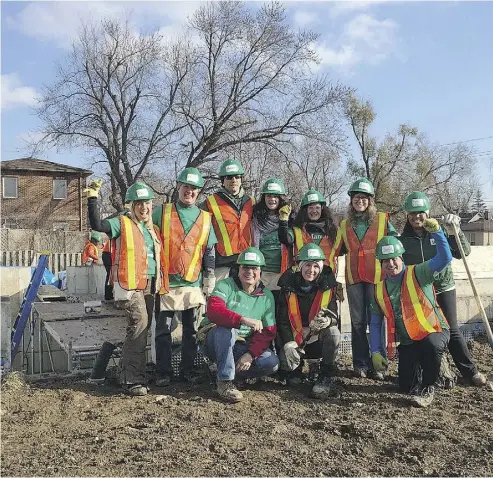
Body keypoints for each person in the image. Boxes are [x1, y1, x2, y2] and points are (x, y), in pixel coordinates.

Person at [86, 180, 168, 396]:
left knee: (142, 327)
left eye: (147, 203)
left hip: (150, 284)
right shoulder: (121, 223)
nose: (144, 207)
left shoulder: (153, 229)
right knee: (139, 325)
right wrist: (93, 197)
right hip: (130, 285)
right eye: (139, 203)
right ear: (131, 205)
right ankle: (132, 379)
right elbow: (98, 225)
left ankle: (127, 371)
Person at [399, 191, 486, 387]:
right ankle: (428, 372)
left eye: (420, 212)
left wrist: (456, 229)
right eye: (412, 213)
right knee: (422, 332)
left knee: (452, 330)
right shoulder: (403, 241)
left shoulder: (441, 232)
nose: (416, 217)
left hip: (443, 288)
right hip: (419, 293)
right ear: (407, 215)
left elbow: (463, 252)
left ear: (428, 212)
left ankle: (470, 371)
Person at [369, 218, 453, 407]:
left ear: (401, 258)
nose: (390, 264)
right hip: (409, 340)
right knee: (405, 386)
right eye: (385, 261)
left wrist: (438, 232)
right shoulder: (378, 290)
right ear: (380, 265)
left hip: (434, 330)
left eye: (394, 259)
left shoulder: (419, 273)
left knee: (432, 346)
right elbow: (375, 323)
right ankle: (431, 368)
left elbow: (445, 258)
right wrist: (375, 350)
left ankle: (429, 386)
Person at [152, 168, 217, 386]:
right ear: (178, 187)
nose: (189, 191)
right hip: (167, 283)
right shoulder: (162, 212)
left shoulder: (206, 218)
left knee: (191, 331)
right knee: (164, 332)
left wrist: (209, 277)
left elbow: (209, 251)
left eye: (194, 188)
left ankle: (187, 370)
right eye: (186, 187)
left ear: (199, 192)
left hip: (192, 283)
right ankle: (164, 372)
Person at [199, 247, 279, 403]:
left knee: (271, 363)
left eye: (254, 268)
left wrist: (250, 354)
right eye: (245, 267)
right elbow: (214, 310)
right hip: (216, 341)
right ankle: (224, 382)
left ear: (260, 271)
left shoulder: (267, 296)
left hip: (242, 345)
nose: (249, 271)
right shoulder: (226, 285)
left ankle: (228, 373)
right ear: (238, 269)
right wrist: (242, 320)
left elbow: (268, 332)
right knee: (225, 330)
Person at [339, 178, 397, 379]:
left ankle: (378, 364)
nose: (359, 201)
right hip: (354, 278)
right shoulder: (344, 224)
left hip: (377, 277)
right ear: (351, 201)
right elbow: (335, 248)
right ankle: (360, 363)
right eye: (356, 198)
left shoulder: (382, 219)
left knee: (376, 320)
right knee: (357, 322)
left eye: (363, 198)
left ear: (370, 200)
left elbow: (395, 243)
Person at [276, 243, 340, 398]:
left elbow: (334, 315)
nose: (311, 270)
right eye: (308, 265)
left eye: (316, 266)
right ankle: (295, 370)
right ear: (300, 265)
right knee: (293, 379)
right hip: (295, 337)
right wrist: (288, 343)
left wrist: (328, 321)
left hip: (316, 335)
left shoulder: (327, 285)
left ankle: (325, 375)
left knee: (333, 333)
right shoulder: (288, 285)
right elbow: (282, 320)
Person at [203, 159, 254, 281]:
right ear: (222, 181)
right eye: (229, 177)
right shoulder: (210, 202)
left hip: (246, 262)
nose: (234, 180)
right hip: (222, 264)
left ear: (241, 179)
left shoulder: (251, 201)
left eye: (237, 177)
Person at [251, 178, 293, 293]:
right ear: (264, 197)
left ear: (280, 198)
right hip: (261, 273)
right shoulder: (255, 219)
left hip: (281, 273)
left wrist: (284, 220)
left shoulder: (290, 218)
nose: (272, 199)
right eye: (269, 196)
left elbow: (288, 241)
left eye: (275, 196)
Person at [292, 190, 342, 273]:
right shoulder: (297, 230)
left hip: (327, 278)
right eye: (311, 208)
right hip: (304, 277)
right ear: (305, 210)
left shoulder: (335, 231)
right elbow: (285, 239)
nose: (314, 211)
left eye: (317, 207)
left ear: (322, 208)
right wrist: (284, 222)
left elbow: (340, 252)